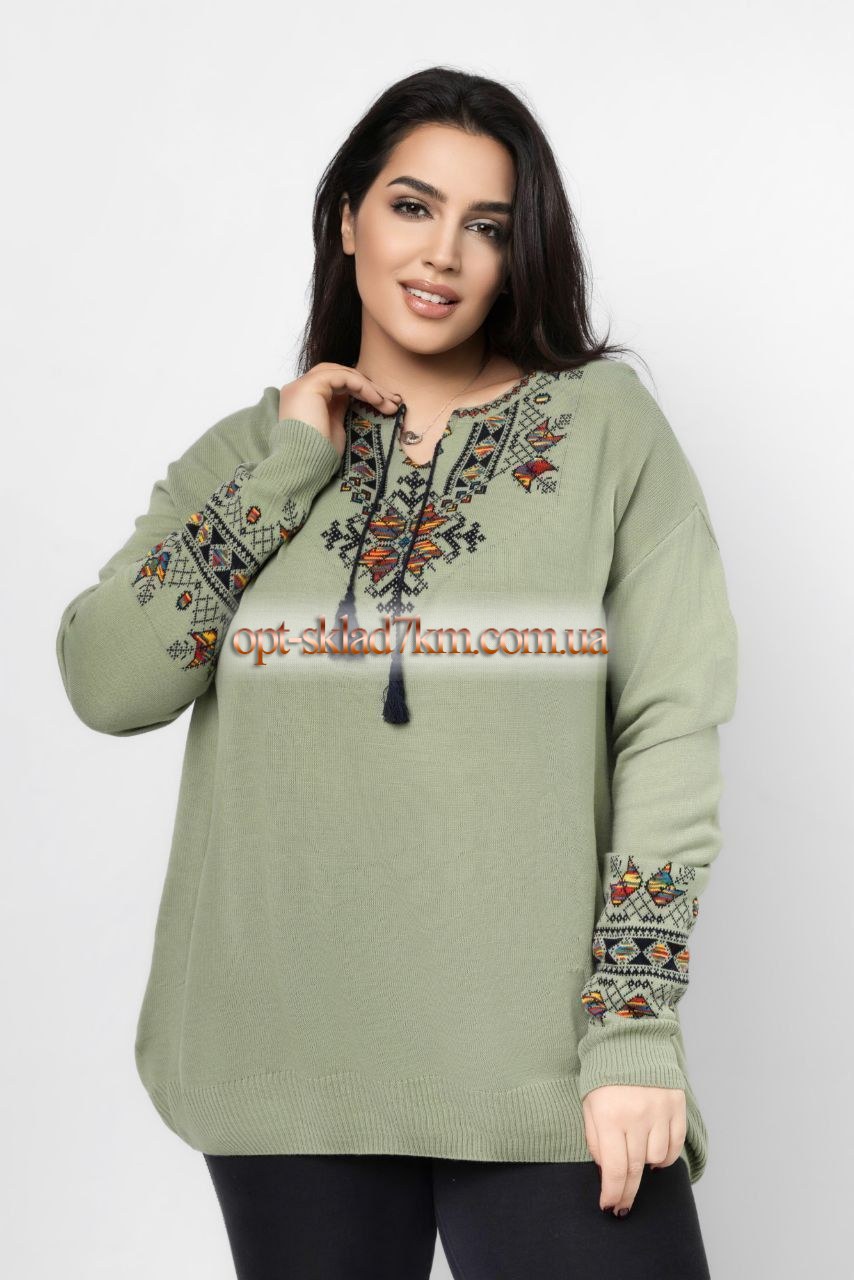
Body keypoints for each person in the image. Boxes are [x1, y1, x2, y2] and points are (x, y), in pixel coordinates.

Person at [55, 66, 737, 1279]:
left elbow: (668, 725)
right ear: (347, 219)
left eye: (487, 226)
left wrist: (632, 1026)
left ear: (519, 254)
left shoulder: (603, 430)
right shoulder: (248, 451)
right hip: (286, 1064)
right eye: (412, 207)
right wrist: (284, 469)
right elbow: (109, 683)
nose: (443, 254)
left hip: (543, 1065)